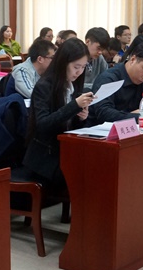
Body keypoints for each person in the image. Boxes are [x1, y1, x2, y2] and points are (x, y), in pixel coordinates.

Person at [22, 38, 93, 190]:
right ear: (63, 63)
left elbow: (71, 127)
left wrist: (82, 118)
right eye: (76, 67)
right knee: (84, 177)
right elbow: (43, 125)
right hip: (46, 155)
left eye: (83, 67)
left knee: (98, 167)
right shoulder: (44, 86)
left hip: (66, 150)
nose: (79, 72)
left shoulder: (73, 85)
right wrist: (74, 106)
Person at [90, 43, 143, 126]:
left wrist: (142, 112)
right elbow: (103, 112)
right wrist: (134, 116)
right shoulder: (109, 78)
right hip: (99, 130)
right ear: (133, 59)